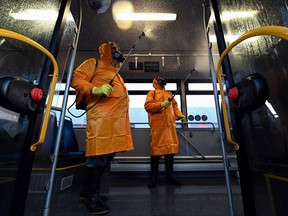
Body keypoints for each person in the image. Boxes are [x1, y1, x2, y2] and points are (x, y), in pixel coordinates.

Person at [70, 42, 134, 214]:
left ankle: (87, 192)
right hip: (101, 120)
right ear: (106, 51)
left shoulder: (116, 73)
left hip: (115, 123)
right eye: (113, 49)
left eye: (118, 50)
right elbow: (76, 79)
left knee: (106, 158)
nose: (116, 52)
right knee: (97, 159)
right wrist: (95, 88)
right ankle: (93, 199)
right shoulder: (94, 63)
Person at [144, 76, 185, 188]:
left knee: (170, 155)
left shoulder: (169, 94)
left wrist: (179, 114)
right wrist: (161, 105)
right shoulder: (152, 93)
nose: (161, 81)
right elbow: (147, 106)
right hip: (158, 128)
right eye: (159, 79)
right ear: (155, 82)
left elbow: (175, 106)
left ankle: (170, 177)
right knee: (155, 155)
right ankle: (153, 179)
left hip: (170, 128)